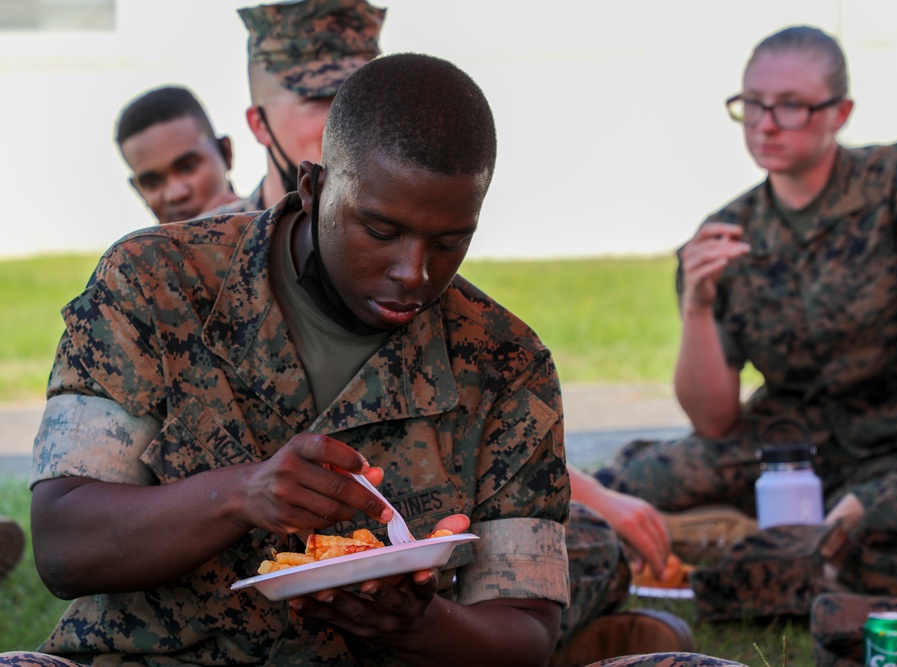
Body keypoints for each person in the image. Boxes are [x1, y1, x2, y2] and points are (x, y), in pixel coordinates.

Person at [2, 53, 726, 667]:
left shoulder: (506, 363)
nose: (414, 272)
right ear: (316, 188)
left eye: (450, 240)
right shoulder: (154, 282)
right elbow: (66, 542)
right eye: (381, 229)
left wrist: (419, 625)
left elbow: (523, 627)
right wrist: (241, 494)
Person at [595, 25, 897, 608]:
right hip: (784, 450)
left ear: (840, 112)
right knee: (619, 489)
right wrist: (698, 304)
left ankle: (764, 550)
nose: (765, 124)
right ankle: (804, 547)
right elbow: (712, 420)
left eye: (790, 106)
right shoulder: (728, 232)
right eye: (752, 105)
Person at [225, 0, 386, 213]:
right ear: (260, 125)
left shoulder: (423, 233)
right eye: (320, 100)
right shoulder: (206, 242)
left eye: (364, 97)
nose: (350, 117)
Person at [115, 85, 240, 225]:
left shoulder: (268, 230)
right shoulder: (134, 246)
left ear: (226, 153)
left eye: (188, 167)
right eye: (153, 183)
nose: (175, 194)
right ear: (138, 190)